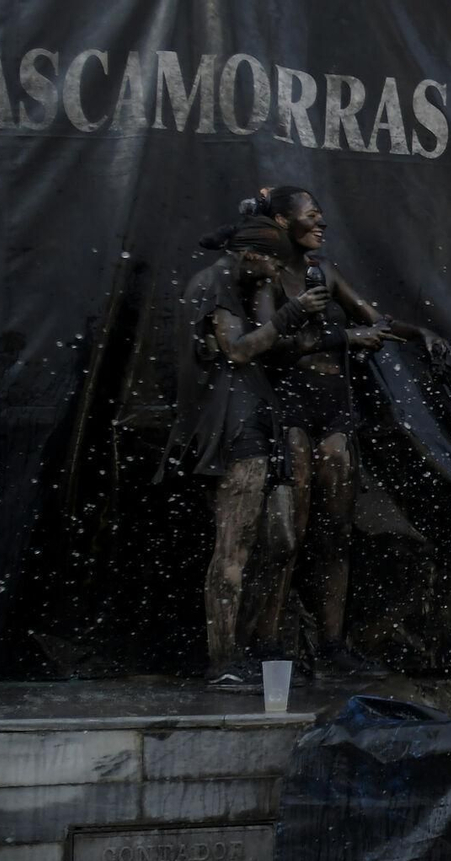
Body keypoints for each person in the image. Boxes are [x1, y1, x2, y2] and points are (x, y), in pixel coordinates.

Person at [244, 186, 451, 677]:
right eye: (311, 216)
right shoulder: (267, 278)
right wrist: (344, 337)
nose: (321, 224)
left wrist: (420, 334)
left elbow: (375, 320)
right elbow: (267, 344)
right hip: (291, 410)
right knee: (286, 536)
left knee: (334, 534)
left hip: (334, 411)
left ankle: (333, 647)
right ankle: (268, 646)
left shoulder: (324, 273)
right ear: (282, 223)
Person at [155, 215, 329, 689]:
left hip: (258, 419)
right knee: (233, 549)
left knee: (280, 541)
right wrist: (290, 314)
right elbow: (236, 351)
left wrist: (298, 325)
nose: (278, 270)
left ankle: (255, 644)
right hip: (234, 429)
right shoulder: (212, 286)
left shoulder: (243, 284)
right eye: (273, 261)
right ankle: (224, 660)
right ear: (251, 254)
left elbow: (271, 345)